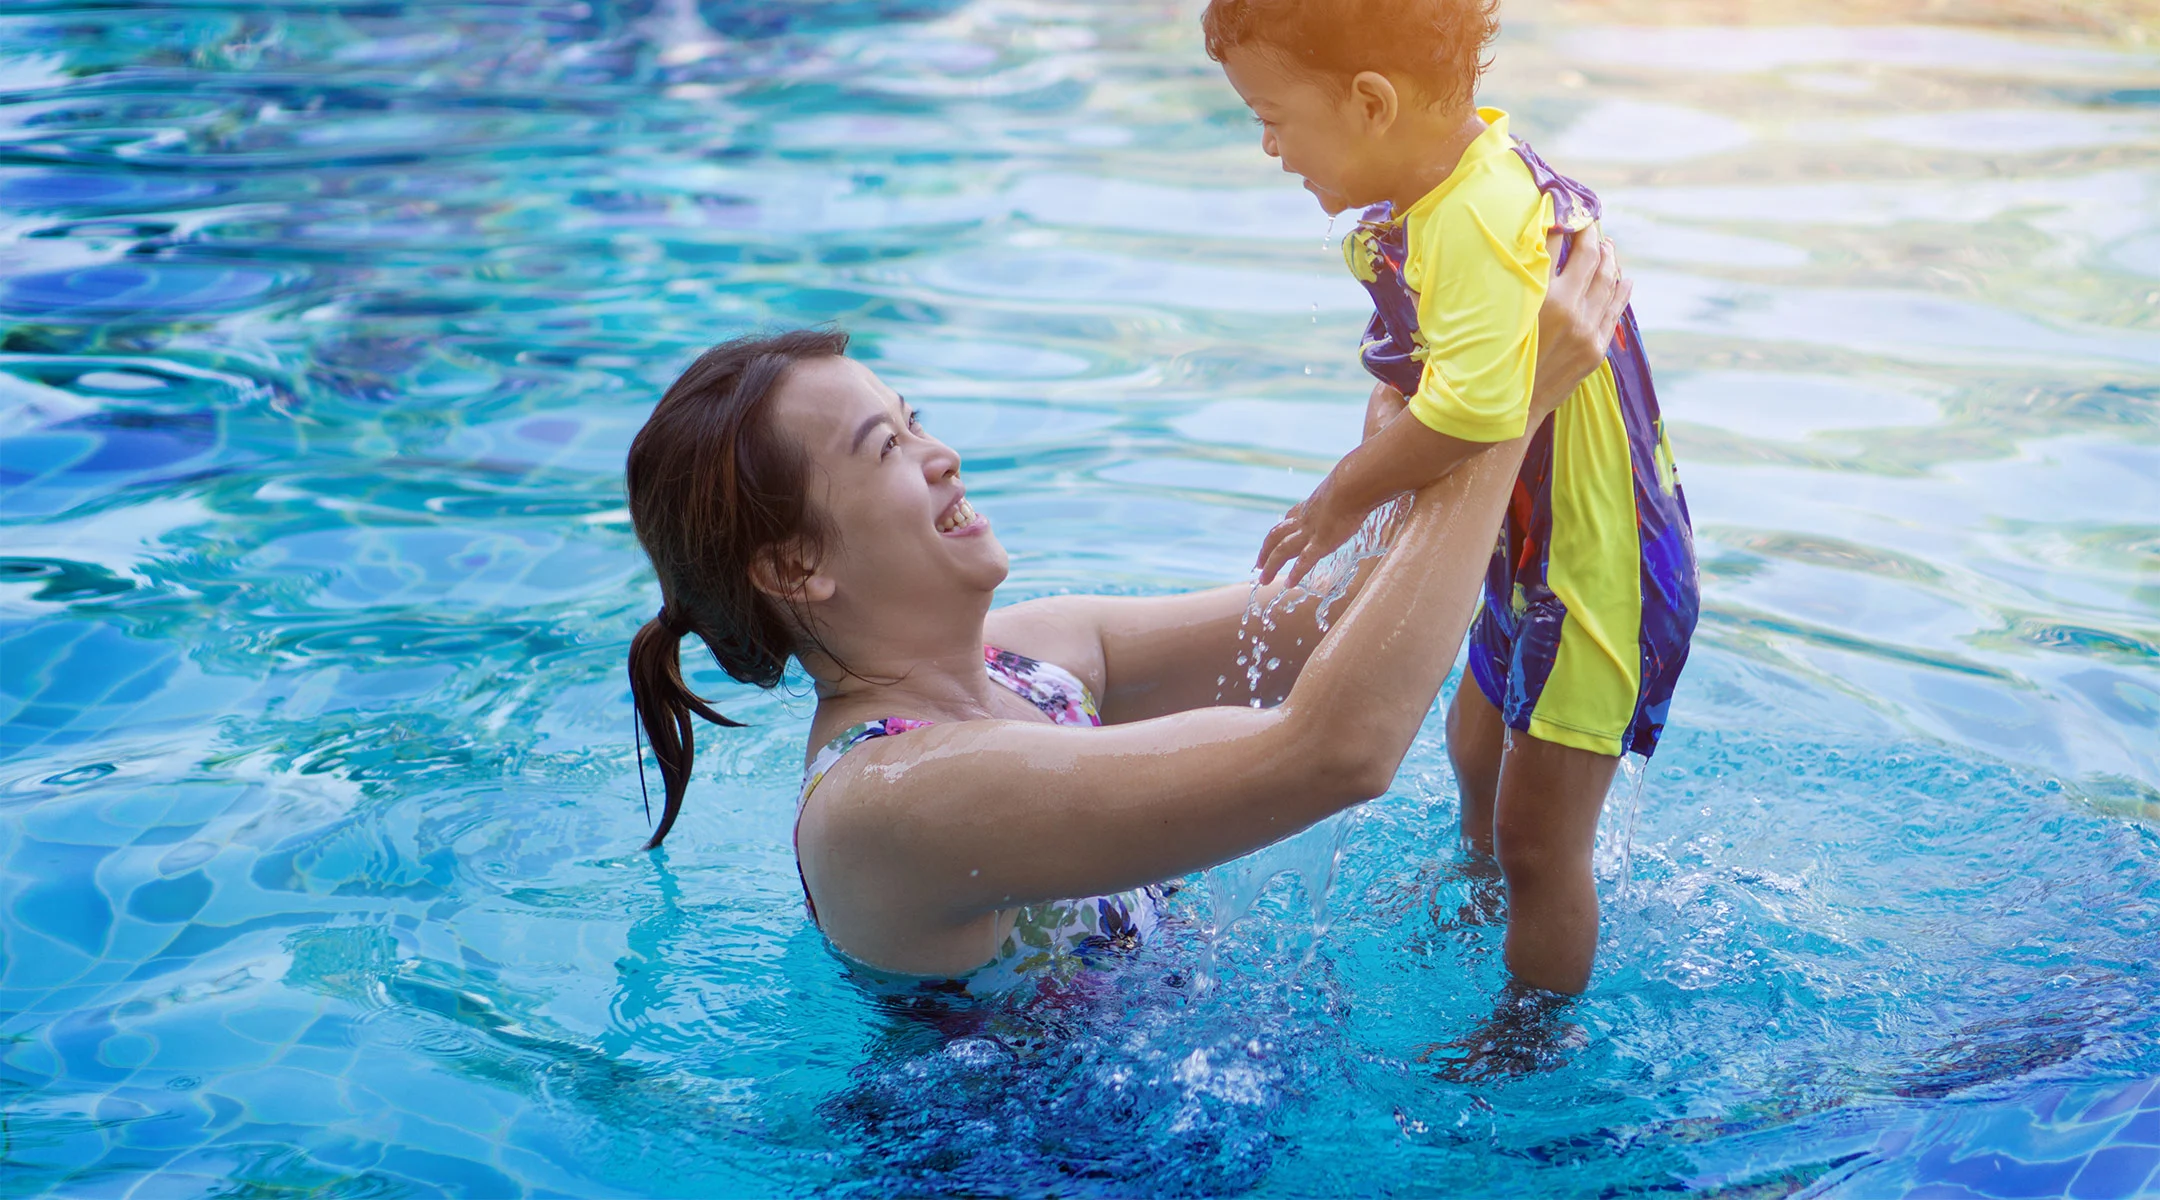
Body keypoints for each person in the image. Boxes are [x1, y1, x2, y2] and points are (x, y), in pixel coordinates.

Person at [620, 227, 1629, 994]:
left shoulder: (1030, 658)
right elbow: (1335, 752)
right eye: (887, 448)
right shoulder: (886, 801)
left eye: (913, 420)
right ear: (794, 568)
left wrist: (1427, 432)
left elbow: (1345, 618)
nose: (943, 456)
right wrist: (1508, 408)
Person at [1203, 0, 1700, 994]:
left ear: (1371, 102)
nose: (1269, 148)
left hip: (1598, 581)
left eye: (1273, 117)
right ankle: (1480, 896)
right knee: (1474, 746)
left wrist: (1340, 497)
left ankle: (1530, 1030)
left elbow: (1474, 413)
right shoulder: (1452, 191)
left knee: (1541, 842)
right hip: (1533, 557)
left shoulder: (1479, 215)